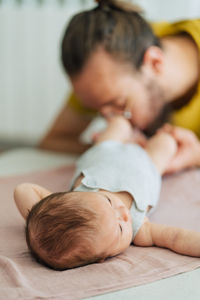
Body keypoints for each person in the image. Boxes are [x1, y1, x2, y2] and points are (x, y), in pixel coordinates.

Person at [15, 117, 200, 270]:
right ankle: (142, 141)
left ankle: (128, 129)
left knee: (120, 123)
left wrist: (44, 214)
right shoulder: (140, 229)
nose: (123, 213)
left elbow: (22, 190)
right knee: (166, 143)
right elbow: (176, 238)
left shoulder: (76, 198)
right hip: (148, 163)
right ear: (103, 258)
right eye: (120, 229)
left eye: (108, 201)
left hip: (106, 149)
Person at [39, 0, 200, 172]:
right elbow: (54, 140)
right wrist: (107, 149)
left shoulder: (120, 61)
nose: (113, 121)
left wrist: (196, 155)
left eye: (121, 105)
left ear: (155, 62)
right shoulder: (99, 69)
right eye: (99, 111)